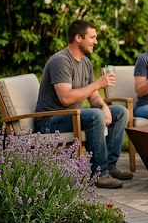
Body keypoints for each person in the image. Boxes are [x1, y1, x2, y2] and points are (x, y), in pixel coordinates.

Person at [35, 20, 131, 189]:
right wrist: (98, 85)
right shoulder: (61, 61)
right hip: (50, 121)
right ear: (78, 38)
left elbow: (93, 97)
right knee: (95, 115)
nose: (96, 41)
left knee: (120, 112)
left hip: (72, 116)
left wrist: (104, 106)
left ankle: (109, 166)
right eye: (92, 37)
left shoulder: (85, 62)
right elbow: (65, 98)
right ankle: (98, 174)